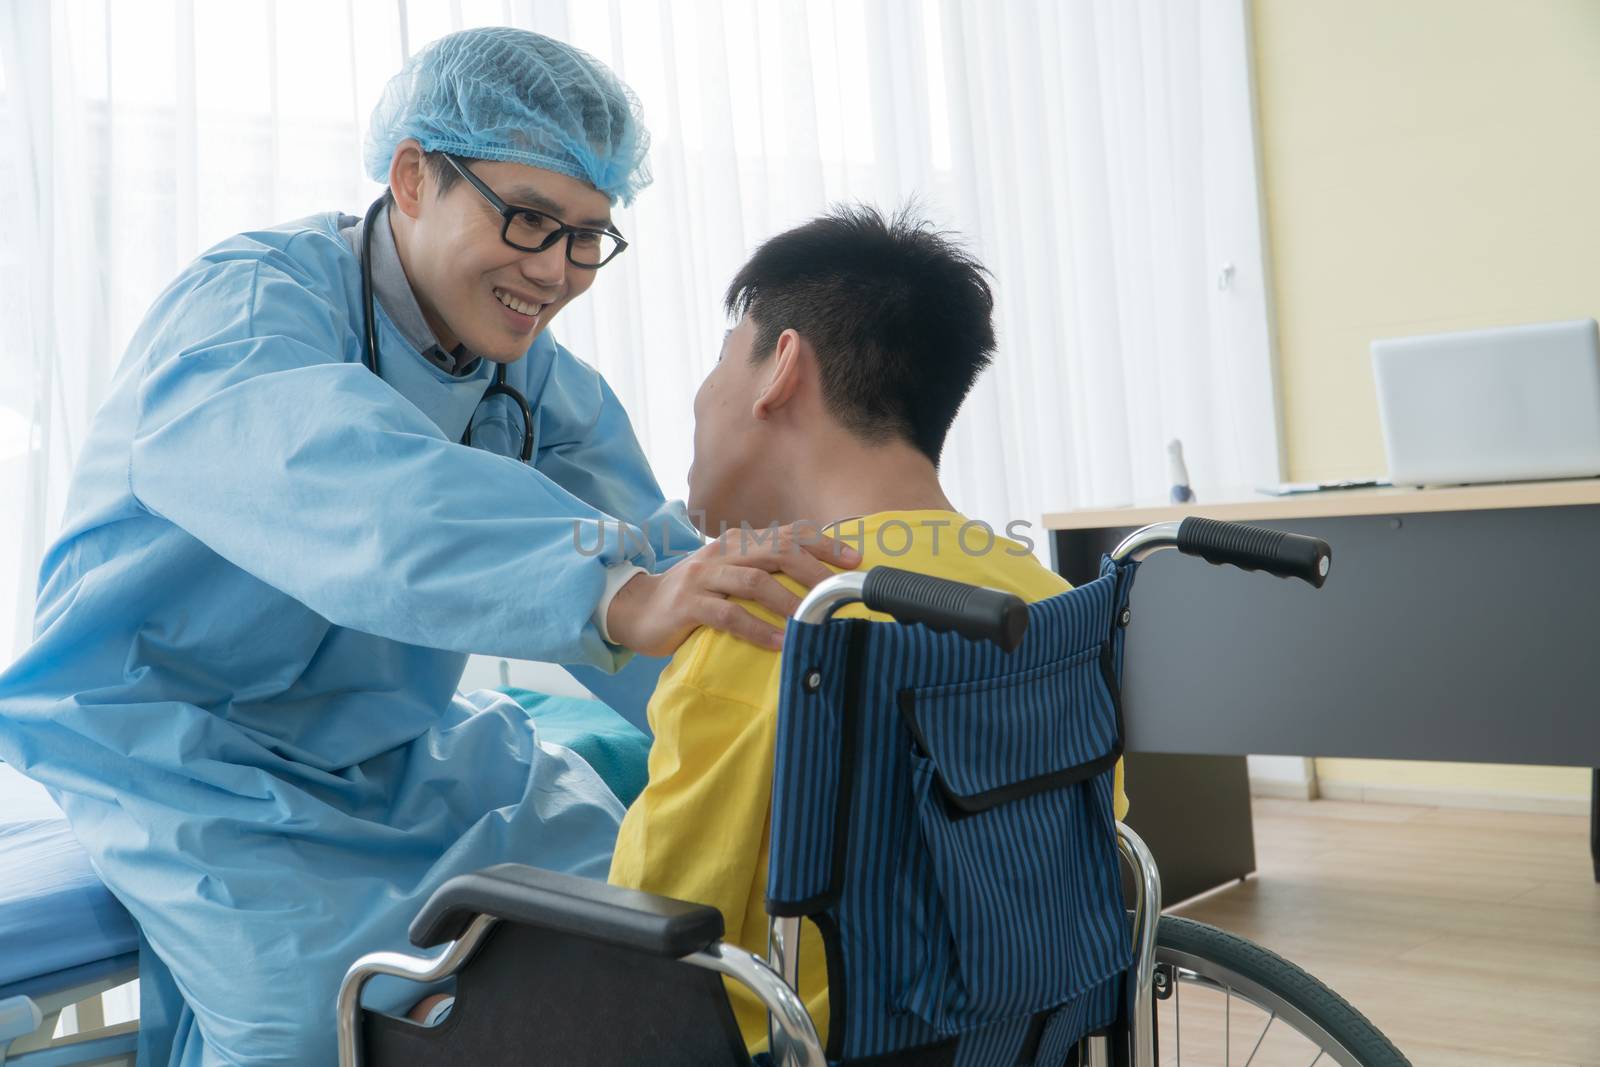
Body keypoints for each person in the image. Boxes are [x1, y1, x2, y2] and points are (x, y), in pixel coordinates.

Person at [0, 26, 854, 1067]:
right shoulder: (251, 307)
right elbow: (352, 487)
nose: (556, 270)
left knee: (617, 907)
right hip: (172, 741)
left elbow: (656, 565)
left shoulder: (537, 383)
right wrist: (616, 592)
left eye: (588, 235)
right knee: (302, 1017)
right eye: (531, 220)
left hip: (388, 743)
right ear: (412, 177)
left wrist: (819, 693)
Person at [608, 206, 1130, 1051]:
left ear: (781, 367)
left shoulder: (767, 619)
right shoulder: (1044, 599)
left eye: (719, 357)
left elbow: (640, 939)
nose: (702, 395)